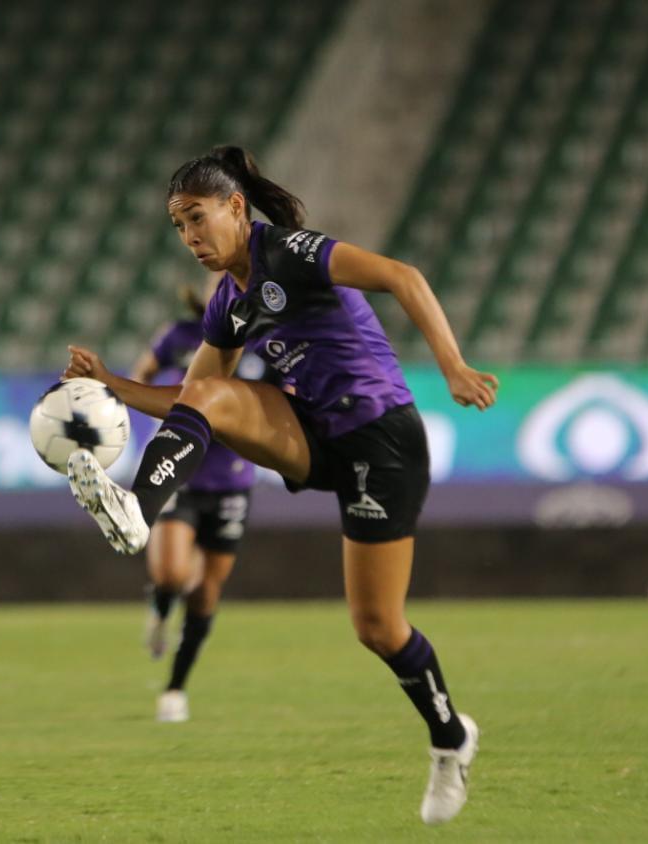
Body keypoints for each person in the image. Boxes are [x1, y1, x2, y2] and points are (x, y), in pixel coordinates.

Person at [62, 146, 498, 825]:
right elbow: (188, 398)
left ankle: (450, 737)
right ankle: (137, 508)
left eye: (197, 217)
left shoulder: (291, 252)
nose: (189, 237)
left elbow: (403, 276)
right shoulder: (227, 303)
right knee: (212, 394)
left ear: (236, 207)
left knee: (377, 627)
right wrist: (109, 383)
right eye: (178, 225)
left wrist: (454, 366)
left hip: (380, 439)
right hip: (313, 436)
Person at [129, 282, 262, 723]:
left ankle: (175, 688)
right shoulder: (180, 335)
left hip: (232, 481)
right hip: (180, 472)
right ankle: (160, 607)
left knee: (205, 594)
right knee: (171, 573)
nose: (220, 283)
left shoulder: (265, 339)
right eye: (214, 276)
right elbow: (143, 372)